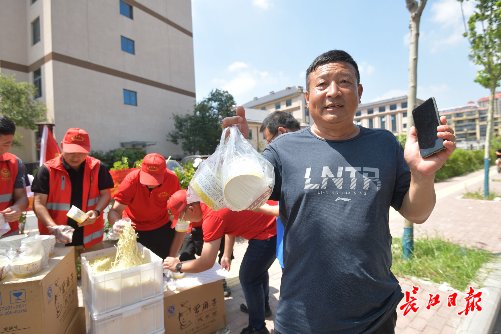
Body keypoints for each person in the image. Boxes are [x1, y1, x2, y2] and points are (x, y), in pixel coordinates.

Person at [222, 50, 456, 333]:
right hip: (301, 317)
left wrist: (421, 174)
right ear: (307, 97)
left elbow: (416, 213)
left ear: (358, 92)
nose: (333, 91)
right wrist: (238, 154)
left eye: (344, 82)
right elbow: (244, 196)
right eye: (322, 85)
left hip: (374, 315)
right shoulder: (283, 150)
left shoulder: (383, 144)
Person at [164, 189, 277, 334]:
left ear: (191, 208)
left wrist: (178, 265)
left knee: (248, 277)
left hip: (269, 231)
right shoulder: (209, 200)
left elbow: (206, 262)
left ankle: (258, 328)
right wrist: (226, 253)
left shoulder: (211, 217)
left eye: (183, 217)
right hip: (269, 224)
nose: (185, 221)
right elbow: (230, 221)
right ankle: (263, 308)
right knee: (257, 272)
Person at [32, 128, 113, 247]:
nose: (75, 158)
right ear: (61, 146)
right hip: (57, 236)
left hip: (90, 236)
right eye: (71, 152)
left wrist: (96, 212)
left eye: (81, 153)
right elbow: (38, 204)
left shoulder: (97, 168)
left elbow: (106, 194)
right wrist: (54, 228)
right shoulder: (47, 170)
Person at [107, 153, 185, 259]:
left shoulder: (171, 179)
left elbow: (179, 213)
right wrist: (116, 223)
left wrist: (172, 257)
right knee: (136, 265)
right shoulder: (132, 180)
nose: (151, 184)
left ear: (164, 172)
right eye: (148, 178)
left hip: (161, 227)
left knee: (162, 266)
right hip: (134, 229)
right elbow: (115, 211)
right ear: (141, 170)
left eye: (156, 179)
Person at [0, 117, 28, 237]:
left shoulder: (15, 163)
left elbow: (22, 197)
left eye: (7, 144)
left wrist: (17, 208)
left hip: (9, 235)